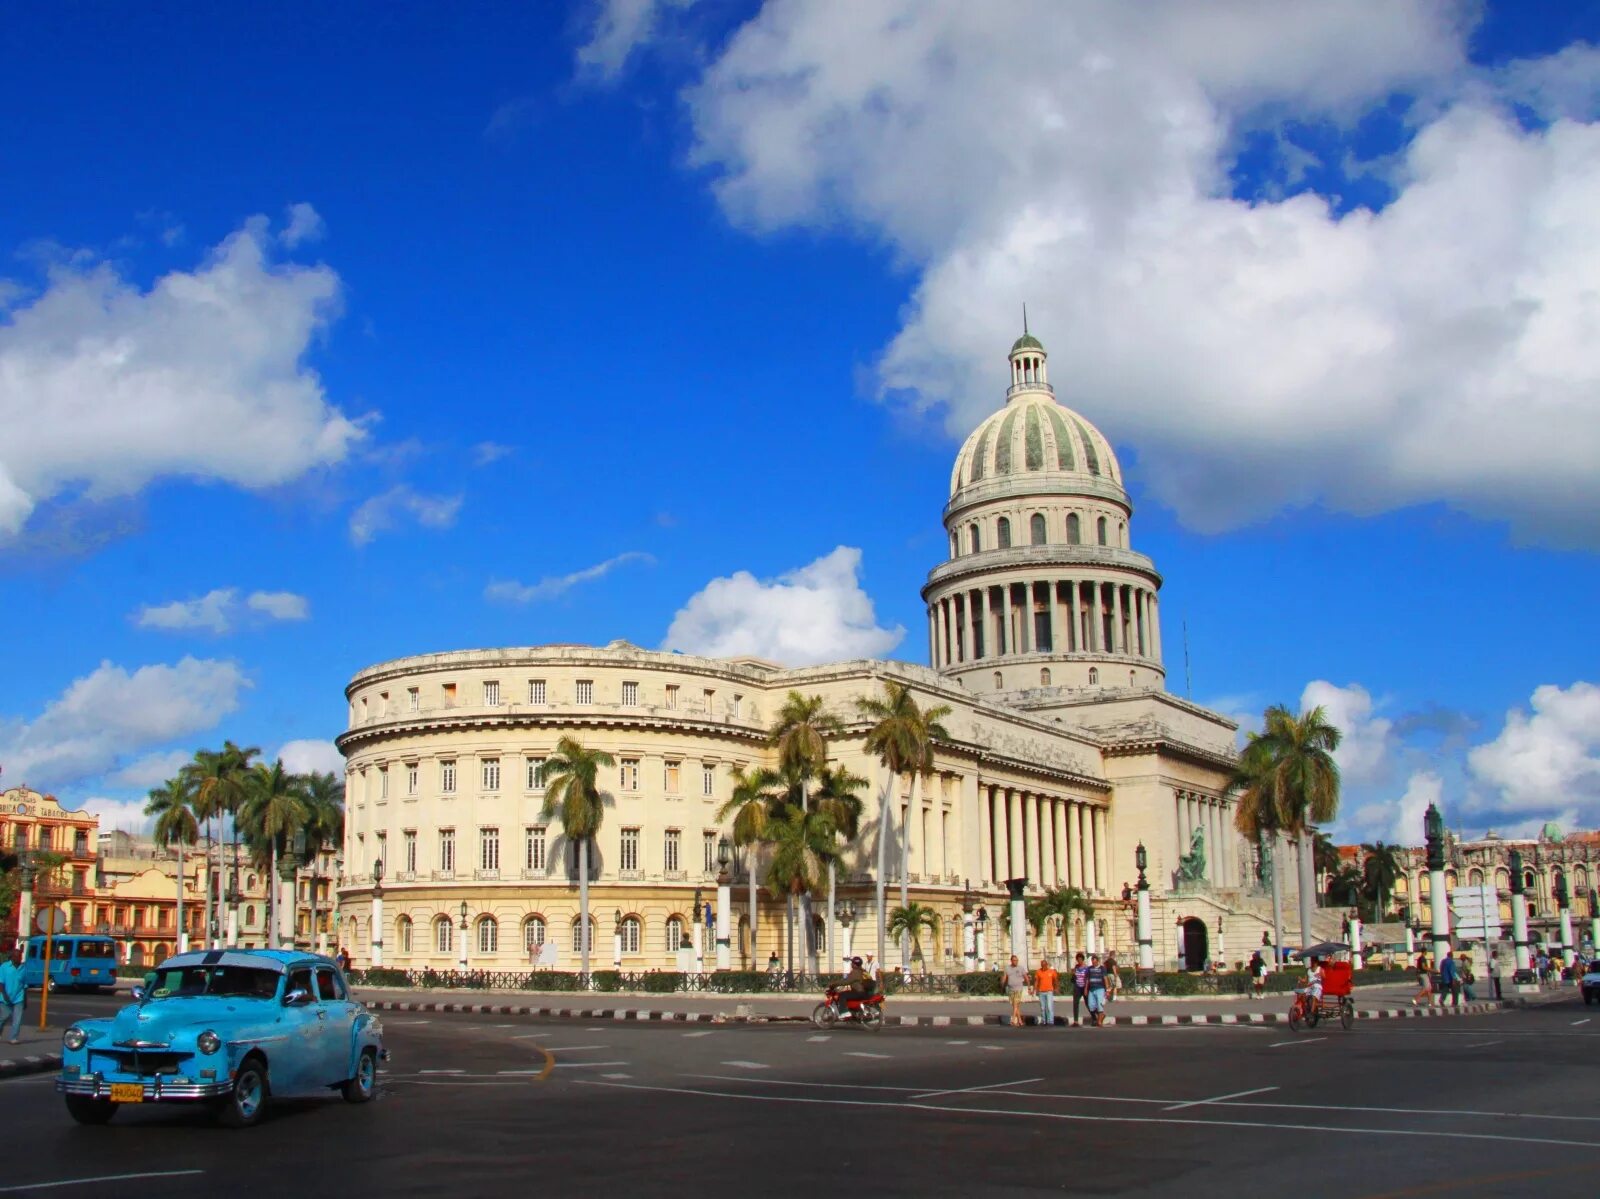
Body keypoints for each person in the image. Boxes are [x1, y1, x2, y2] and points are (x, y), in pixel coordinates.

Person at [0, 945, 25, 1044]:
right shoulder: (4, 967)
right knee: (4, 1017)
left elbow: (24, 984)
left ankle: (13, 1037)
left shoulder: (23, 968)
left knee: (17, 1019)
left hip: (19, 997)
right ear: (12, 957)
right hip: (5, 997)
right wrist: (5, 996)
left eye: (20, 956)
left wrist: (25, 999)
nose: (19, 958)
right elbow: (1, 983)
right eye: (17, 956)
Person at [1002, 954, 1029, 1027]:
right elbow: (1005, 977)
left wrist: (1029, 986)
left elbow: (1026, 977)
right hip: (1011, 989)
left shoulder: (1021, 968)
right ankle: (1020, 1021)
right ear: (1011, 961)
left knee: (1015, 1004)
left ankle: (1013, 1020)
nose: (1016, 962)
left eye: (1017, 960)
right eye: (1014, 960)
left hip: (1018, 989)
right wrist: (1002, 984)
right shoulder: (1007, 968)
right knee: (1015, 1005)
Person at [1033, 958, 1059, 1028]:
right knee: (1042, 1007)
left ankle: (1050, 1021)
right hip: (1041, 992)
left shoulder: (1052, 971)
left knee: (1049, 1007)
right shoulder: (1038, 972)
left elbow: (1055, 980)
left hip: (1049, 991)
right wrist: (1034, 990)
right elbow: (1036, 981)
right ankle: (1044, 1021)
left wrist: (1056, 988)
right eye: (1042, 965)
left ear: (1047, 965)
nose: (1043, 967)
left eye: (1044, 965)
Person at [1084, 953, 1109, 1026]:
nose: (1094, 963)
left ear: (1098, 961)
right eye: (1093, 962)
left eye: (1095, 962)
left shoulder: (1102, 968)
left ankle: (1099, 1021)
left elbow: (1105, 979)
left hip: (1100, 989)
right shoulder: (1089, 969)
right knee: (1091, 1006)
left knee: (1099, 1005)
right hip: (1091, 989)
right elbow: (1087, 979)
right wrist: (1086, 989)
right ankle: (1102, 1015)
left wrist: (1107, 990)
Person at [1070, 952, 1088, 1026]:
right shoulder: (1076, 967)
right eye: (1078, 959)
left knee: (1088, 1003)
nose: (1079, 961)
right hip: (1077, 987)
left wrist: (1086, 988)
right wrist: (1073, 974)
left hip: (1084, 987)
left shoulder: (1086, 968)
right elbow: (1073, 979)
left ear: (1083, 960)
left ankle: (1095, 1018)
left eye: (1080, 959)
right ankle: (1076, 1021)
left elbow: (1087, 978)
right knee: (1075, 1003)